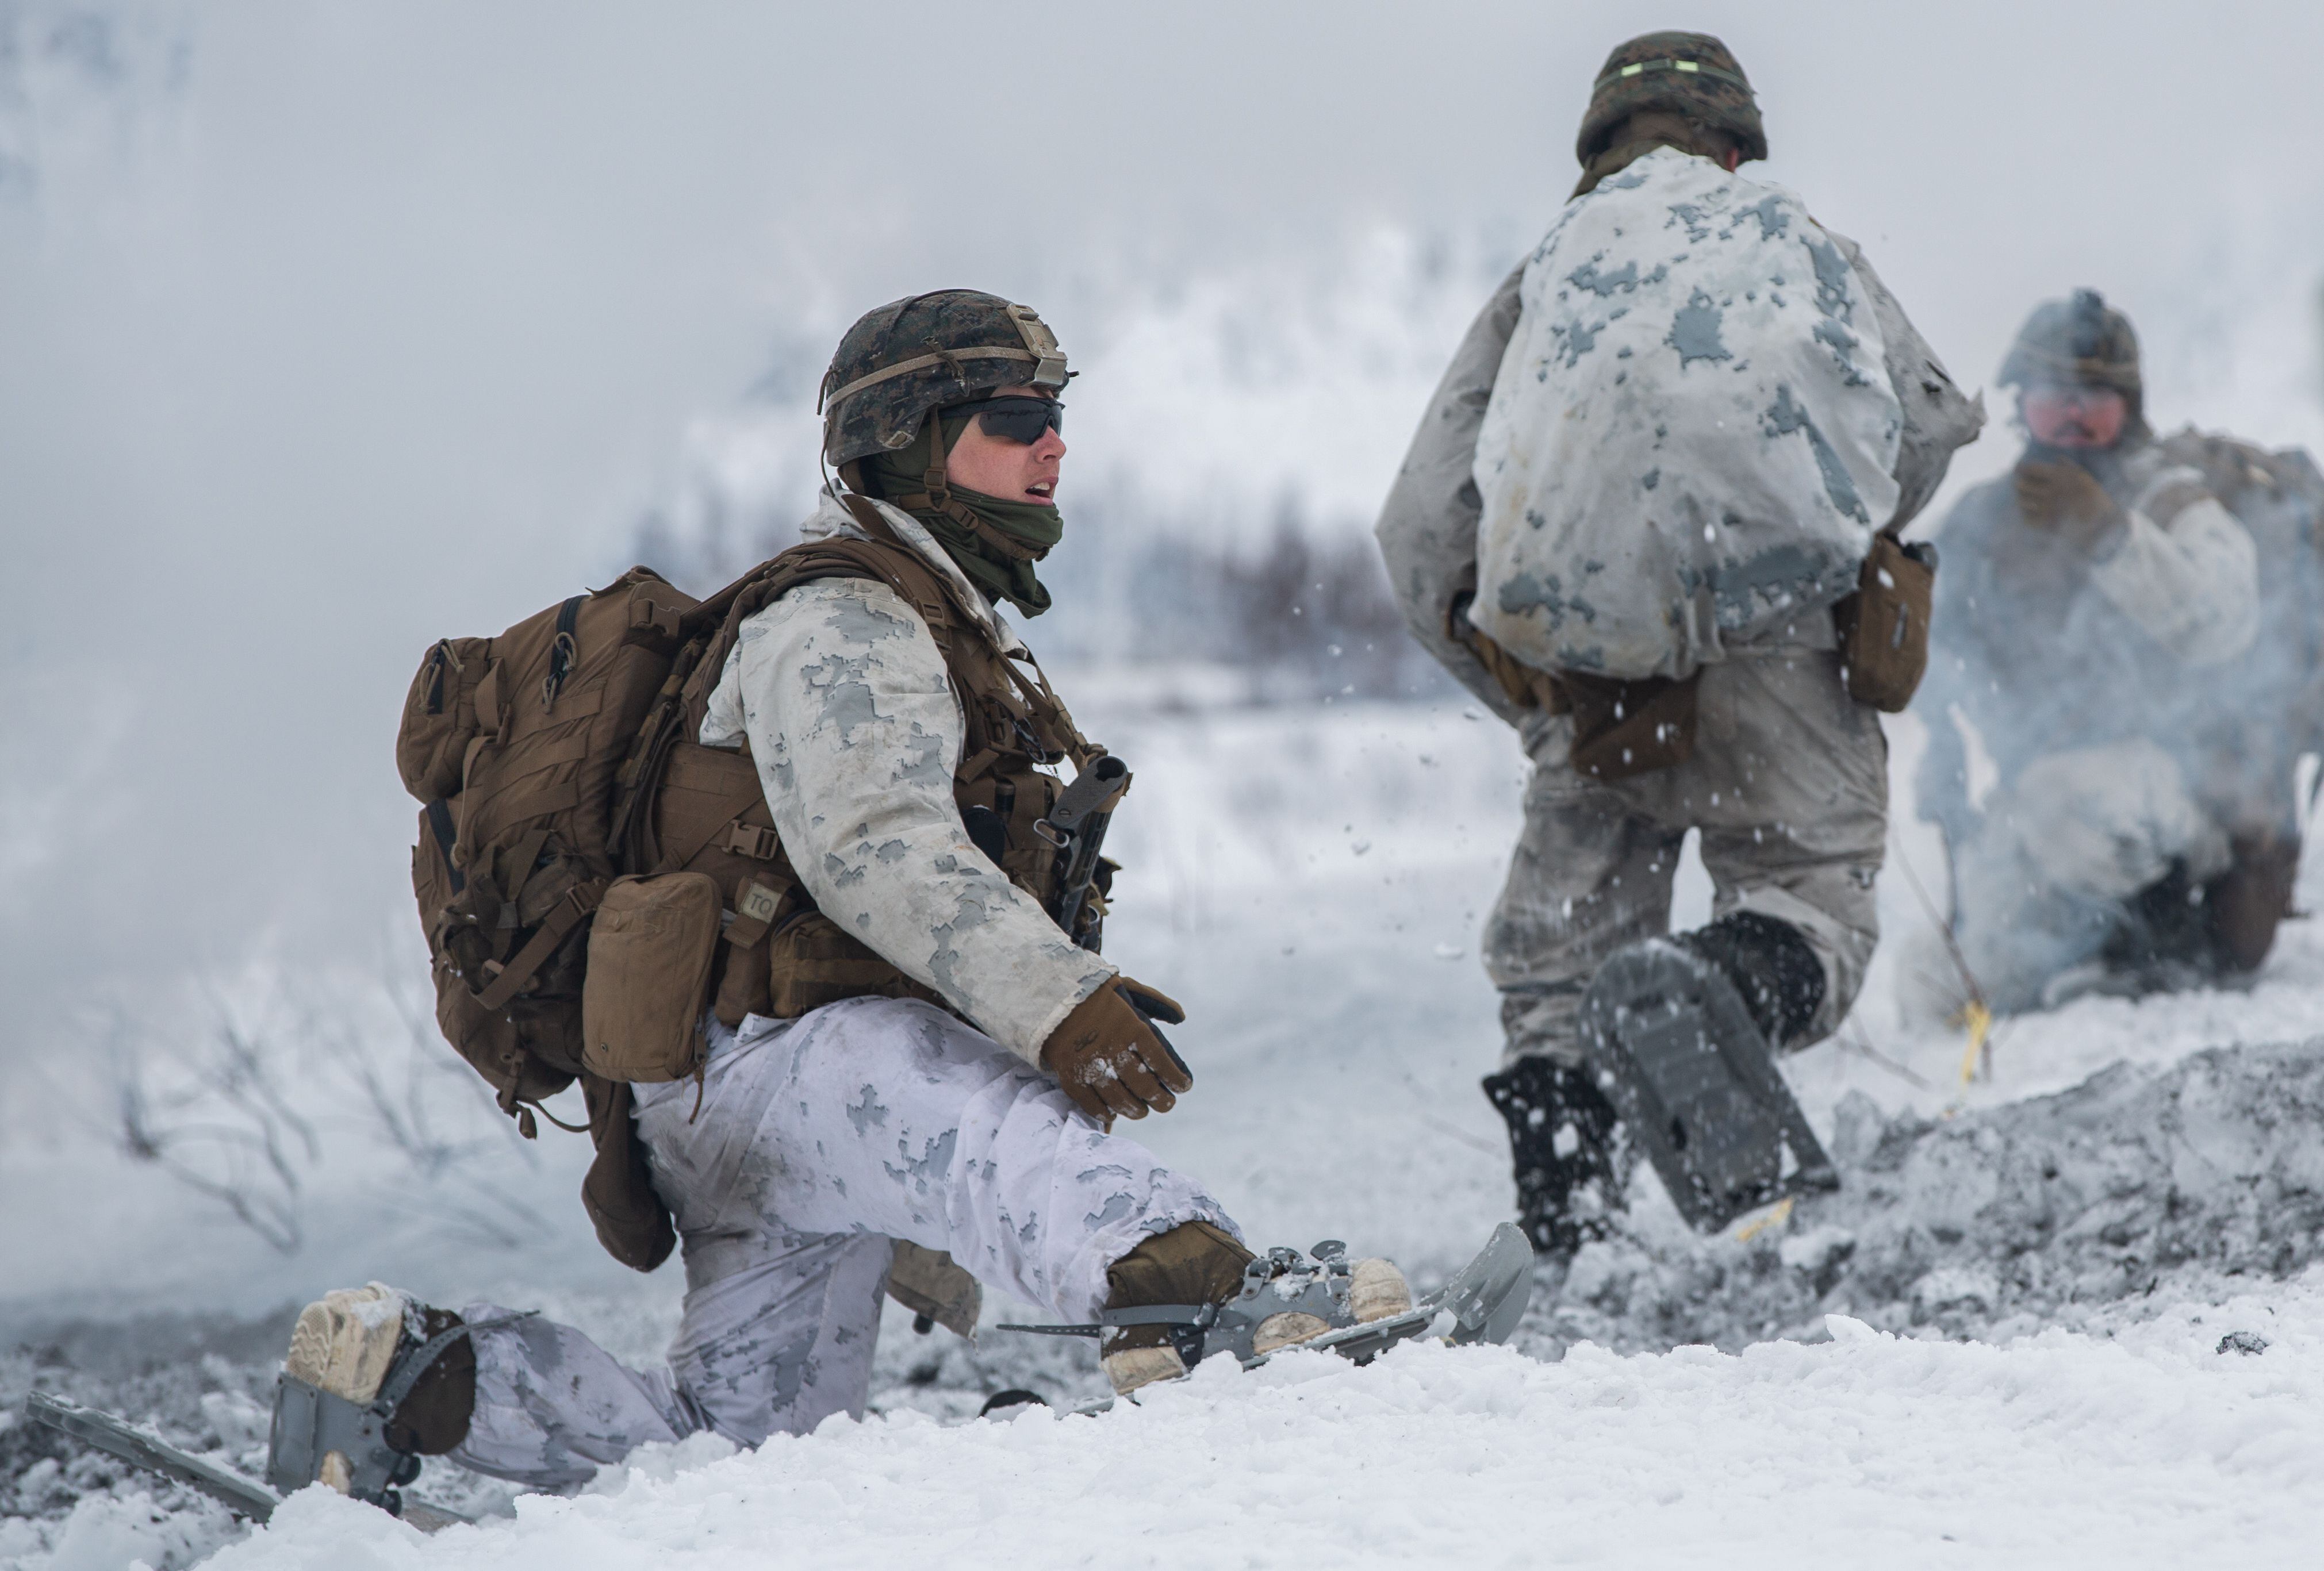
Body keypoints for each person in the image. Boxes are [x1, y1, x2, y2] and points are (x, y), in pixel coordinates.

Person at [278, 292, 1419, 1498]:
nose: (1053, 443)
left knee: (737, 1453)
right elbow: (873, 847)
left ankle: (411, 1376)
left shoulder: (910, 612)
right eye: (1015, 415)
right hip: (794, 1063)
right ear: (909, 440)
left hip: (727, 1091)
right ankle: (1206, 1301)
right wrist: (1057, 1000)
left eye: (1055, 415)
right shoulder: (844, 616)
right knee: (1009, 1138)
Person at [1375, 31, 1980, 1251]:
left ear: (1598, 147)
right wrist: (1816, 537)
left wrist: (1525, 685)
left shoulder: (1547, 272)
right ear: (1731, 144)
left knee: (1559, 968)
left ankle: (1568, 1235)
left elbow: (1419, 525)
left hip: (1588, 675)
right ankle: (1720, 985)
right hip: (1786, 653)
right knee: (1802, 898)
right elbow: (1920, 422)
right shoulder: (1804, 248)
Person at [1914, 289, 2321, 1013]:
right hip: (2053, 808)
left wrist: (2109, 537)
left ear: (2128, 405)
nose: (2072, 415)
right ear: (2020, 403)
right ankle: (2086, 941)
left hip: (2201, 806)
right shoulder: (1987, 520)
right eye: (2052, 396)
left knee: (2070, 805)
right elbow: (1926, 643)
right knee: (1941, 990)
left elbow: (2222, 619)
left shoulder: (2168, 493)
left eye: (2093, 397)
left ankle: (2161, 940)